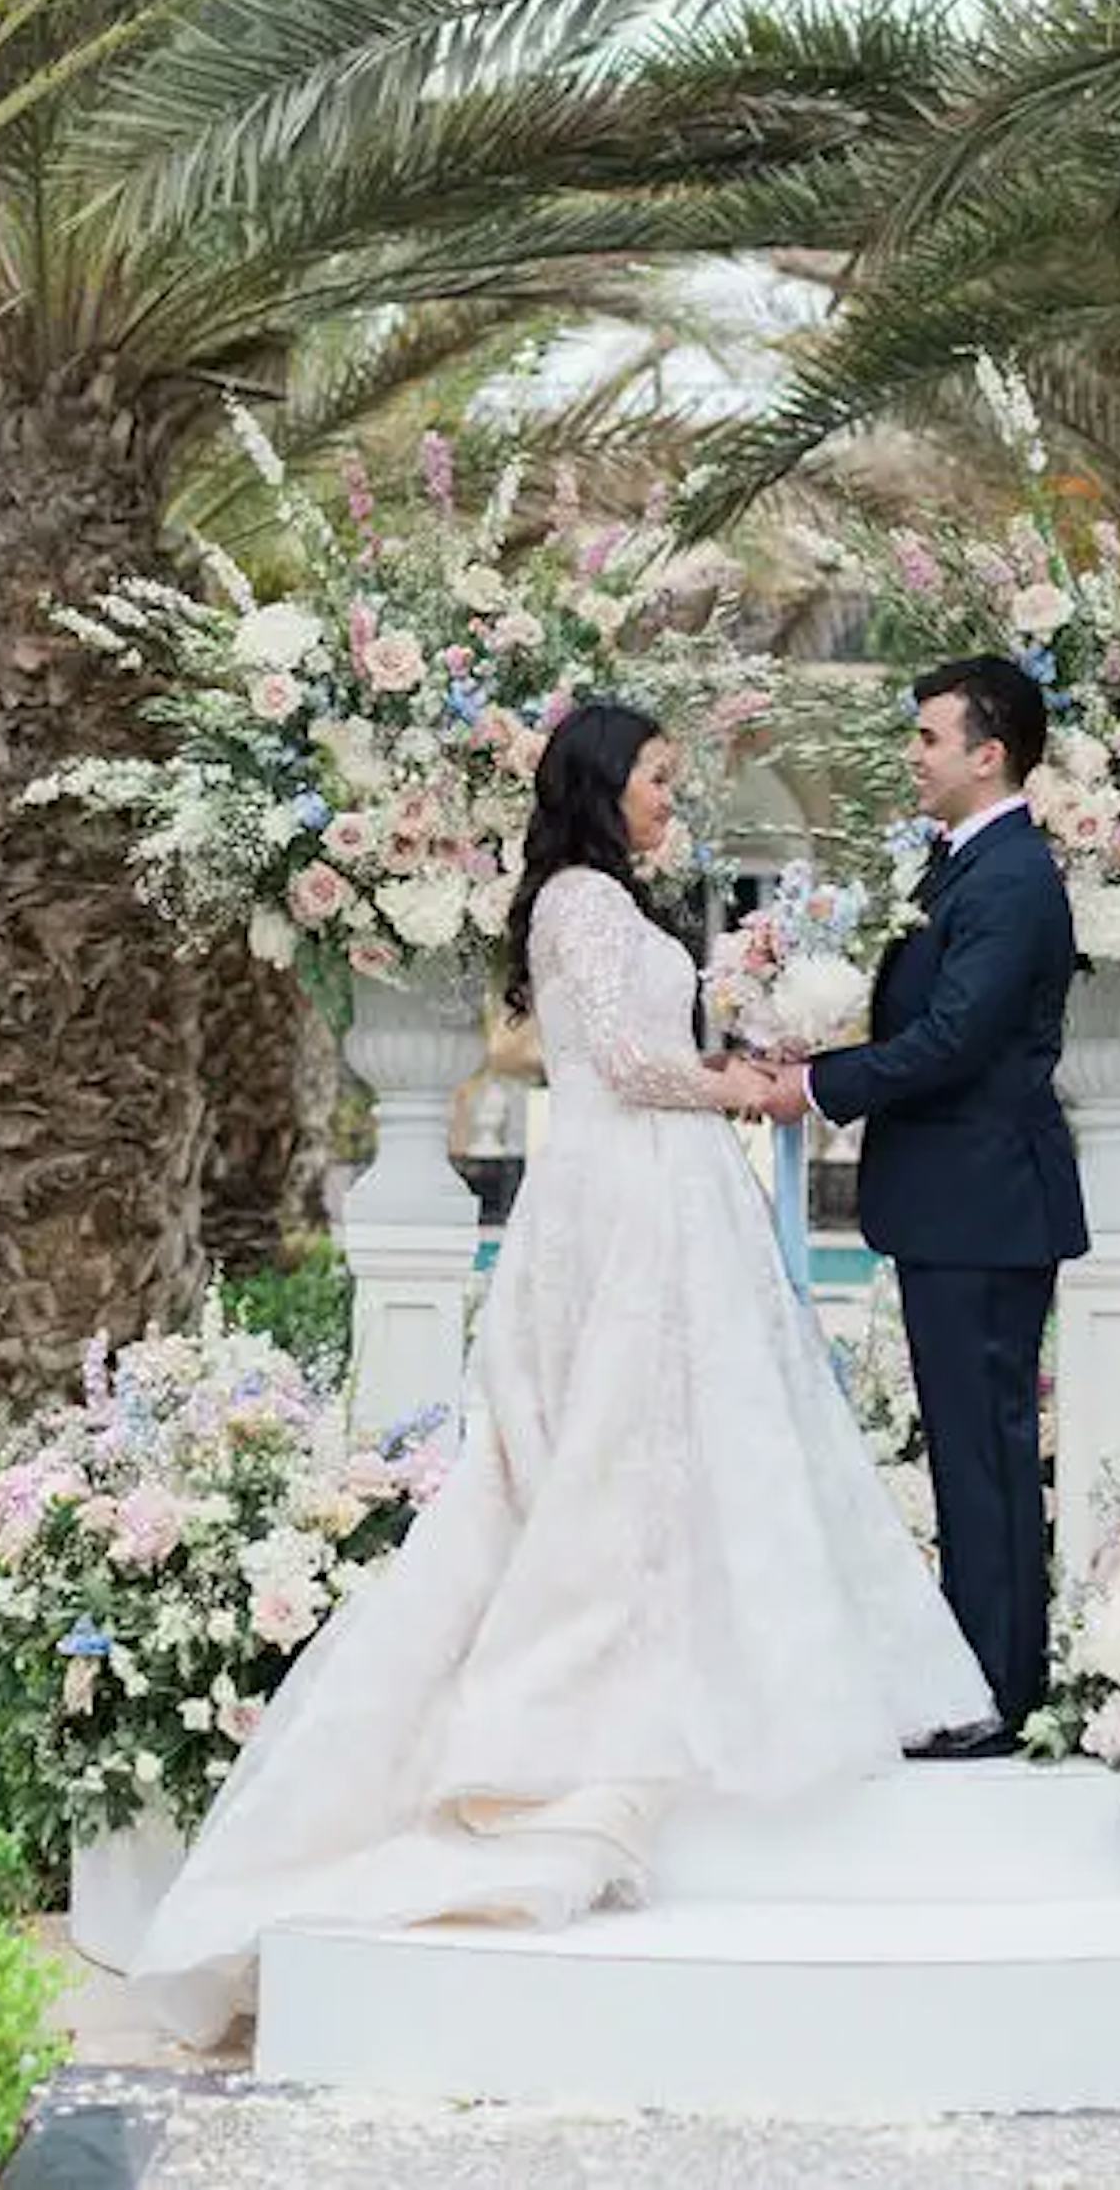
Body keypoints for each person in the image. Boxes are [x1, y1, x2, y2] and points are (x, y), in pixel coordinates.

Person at [130, 702, 992, 2041]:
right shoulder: (579, 900)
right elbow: (633, 1067)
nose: (670, 793)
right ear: (601, 786)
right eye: (655, 774)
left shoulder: (613, 900)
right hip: (623, 1192)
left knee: (700, 1436)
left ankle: (698, 1662)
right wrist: (751, 1081)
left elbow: (653, 1026)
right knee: (615, 1445)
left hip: (661, 1188)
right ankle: (571, 1705)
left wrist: (735, 991)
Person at [755, 655, 1088, 1754]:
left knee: (982, 1451)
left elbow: (954, 1039)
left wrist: (814, 1085)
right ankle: (981, 1678)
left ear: (988, 753)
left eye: (930, 737)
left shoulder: (1012, 879)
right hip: (955, 1201)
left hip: (985, 1201)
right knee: (964, 1447)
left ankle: (994, 1696)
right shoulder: (959, 864)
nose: (915, 752)